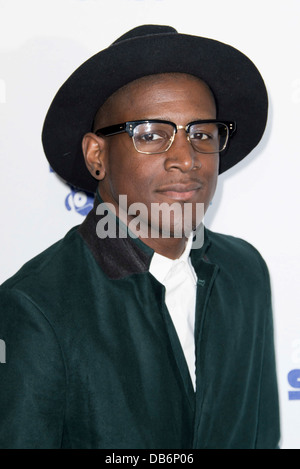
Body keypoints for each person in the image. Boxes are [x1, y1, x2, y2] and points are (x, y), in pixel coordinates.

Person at [0, 25, 280, 449]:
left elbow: (261, 433)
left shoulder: (245, 272)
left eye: (202, 133)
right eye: (151, 134)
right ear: (97, 155)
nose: (186, 159)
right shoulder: (37, 307)